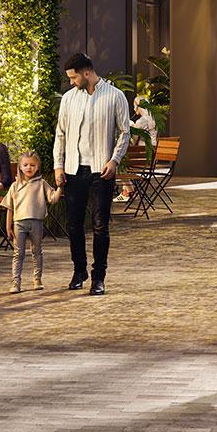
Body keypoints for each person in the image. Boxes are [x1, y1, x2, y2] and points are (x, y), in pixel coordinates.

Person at [52, 53, 129, 295]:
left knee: (100, 226)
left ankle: (99, 277)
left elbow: (124, 132)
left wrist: (115, 160)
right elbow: (60, 133)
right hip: (74, 170)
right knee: (74, 225)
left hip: (101, 171)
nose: (71, 82)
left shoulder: (115, 96)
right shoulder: (68, 99)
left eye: (74, 77)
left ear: (86, 73)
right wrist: (58, 165)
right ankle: (79, 271)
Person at [2, 150, 56, 292]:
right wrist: (8, 226)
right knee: (18, 253)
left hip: (36, 223)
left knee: (37, 251)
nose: (29, 168)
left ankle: (37, 279)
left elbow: (53, 198)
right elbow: (9, 207)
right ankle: (15, 282)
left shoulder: (42, 184)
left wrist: (61, 187)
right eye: (25, 165)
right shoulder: (15, 186)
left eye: (32, 165)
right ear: (20, 167)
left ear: (37, 167)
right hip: (19, 223)